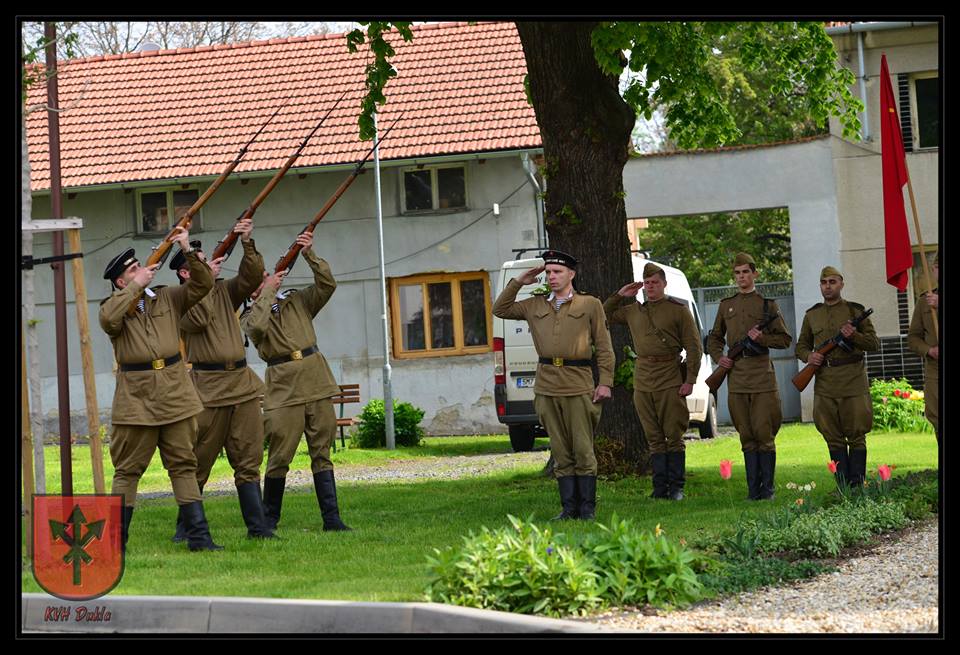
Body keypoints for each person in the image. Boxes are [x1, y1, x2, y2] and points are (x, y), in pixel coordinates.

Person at [98, 226, 222, 552]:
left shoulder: (167, 296)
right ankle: (115, 544)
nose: (142, 270)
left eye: (140, 265)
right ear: (121, 281)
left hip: (175, 393)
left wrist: (186, 247)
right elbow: (109, 320)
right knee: (128, 471)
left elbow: (204, 283)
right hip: (136, 399)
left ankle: (199, 538)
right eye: (133, 270)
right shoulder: (114, 304)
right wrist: (134, 289)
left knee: (184, 465)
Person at [170, 218, 275, 541]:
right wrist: (206, 284)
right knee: (199, 461)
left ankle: (258, 529)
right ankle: (185, 528)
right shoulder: (181, 301)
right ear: (186, 273)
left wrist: (246, 241)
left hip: (241, 384)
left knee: (248, 458)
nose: (208, 265)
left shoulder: (223, 291)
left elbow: (252, 277)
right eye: (199, 263)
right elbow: (197, 320)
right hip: (210, 390)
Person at [241, 230, 351, 532]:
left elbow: (328, 285)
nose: (270, 277)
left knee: (322, 453)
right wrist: (265, 293)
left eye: (269, 274)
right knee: (279, 457)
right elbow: (257, 329)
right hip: (284, 388)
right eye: (263, 277)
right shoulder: (249, 314)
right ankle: (269, 520)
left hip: (316, 380)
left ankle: (332, 519)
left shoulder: (297, 301)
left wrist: (309, 254)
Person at [492, 250, 615, 520]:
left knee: (583, 449)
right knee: (559, 449)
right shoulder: (534, 304)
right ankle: (568, 508)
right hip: (547, 386)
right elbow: (499, 309)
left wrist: (605, 382)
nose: (552, 276)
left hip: (578, 384)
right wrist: (519, 282)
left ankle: (587, 509)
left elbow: (604, 347)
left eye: (557, 272)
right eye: (548, 272)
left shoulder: (589, 304)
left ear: (571, 274)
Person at [604, 262, 702, 501]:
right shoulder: (633, 310)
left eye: (655, 283)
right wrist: (620, 295)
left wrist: (690, 380)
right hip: (643, 378)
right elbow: (602, 314)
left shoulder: (678, 310)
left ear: (664, 284)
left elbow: (694, 346)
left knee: (674, 436)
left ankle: (677, 487)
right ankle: (659, 489)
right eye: (647, 283)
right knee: (653, 437)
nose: (650, 287)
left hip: (669, 376)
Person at [706, 253, 792, 500]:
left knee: (764, 434)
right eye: (737, 273)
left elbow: (784, 339)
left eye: (746, 272)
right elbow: (714, 337)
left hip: (762, 377)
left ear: (755, 274)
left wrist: (761, 338)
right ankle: (753, 491)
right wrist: (718, 357)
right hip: (736, 377)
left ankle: (768, 490)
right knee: (746, 434)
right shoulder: (726, 305)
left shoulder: (767, 306)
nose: (741, 277)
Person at [795, 266, 879, 488]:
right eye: (824, 282)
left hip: (853, 381)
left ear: (841, 283)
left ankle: (858, 485)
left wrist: (855, 336)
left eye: (833, 282)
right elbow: (800, 345)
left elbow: (874, 344)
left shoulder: (855, 312)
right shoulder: (812, 315)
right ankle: (843, 488)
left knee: (857, 435)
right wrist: (809, 356)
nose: (828, 286)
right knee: (832, 435)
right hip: (825, 382)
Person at [907, 252, 939, 444]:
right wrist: (929, 350)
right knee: (936, 417)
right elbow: (913, 337)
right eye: (938, 267)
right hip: (935, 370)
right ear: (934, 270)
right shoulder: (924, 301)